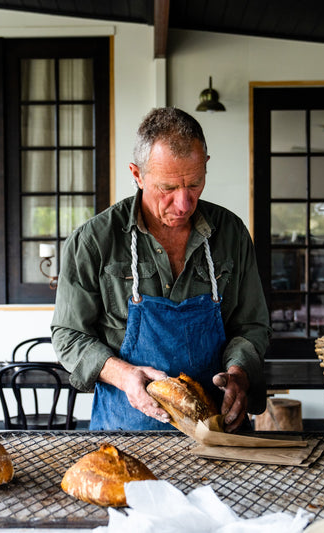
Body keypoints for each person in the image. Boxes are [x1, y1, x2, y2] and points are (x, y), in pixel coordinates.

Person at [51, 107, 270, 432]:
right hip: (127, 431)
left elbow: (251, 324)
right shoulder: (95, 241)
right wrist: (124, 375)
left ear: (205, 166)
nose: (183, 204)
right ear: (137, 174)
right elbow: (69, 335)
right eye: (167, 188)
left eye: (194, 184)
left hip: (219, 431)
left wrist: (239, 372)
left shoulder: (231, 234)